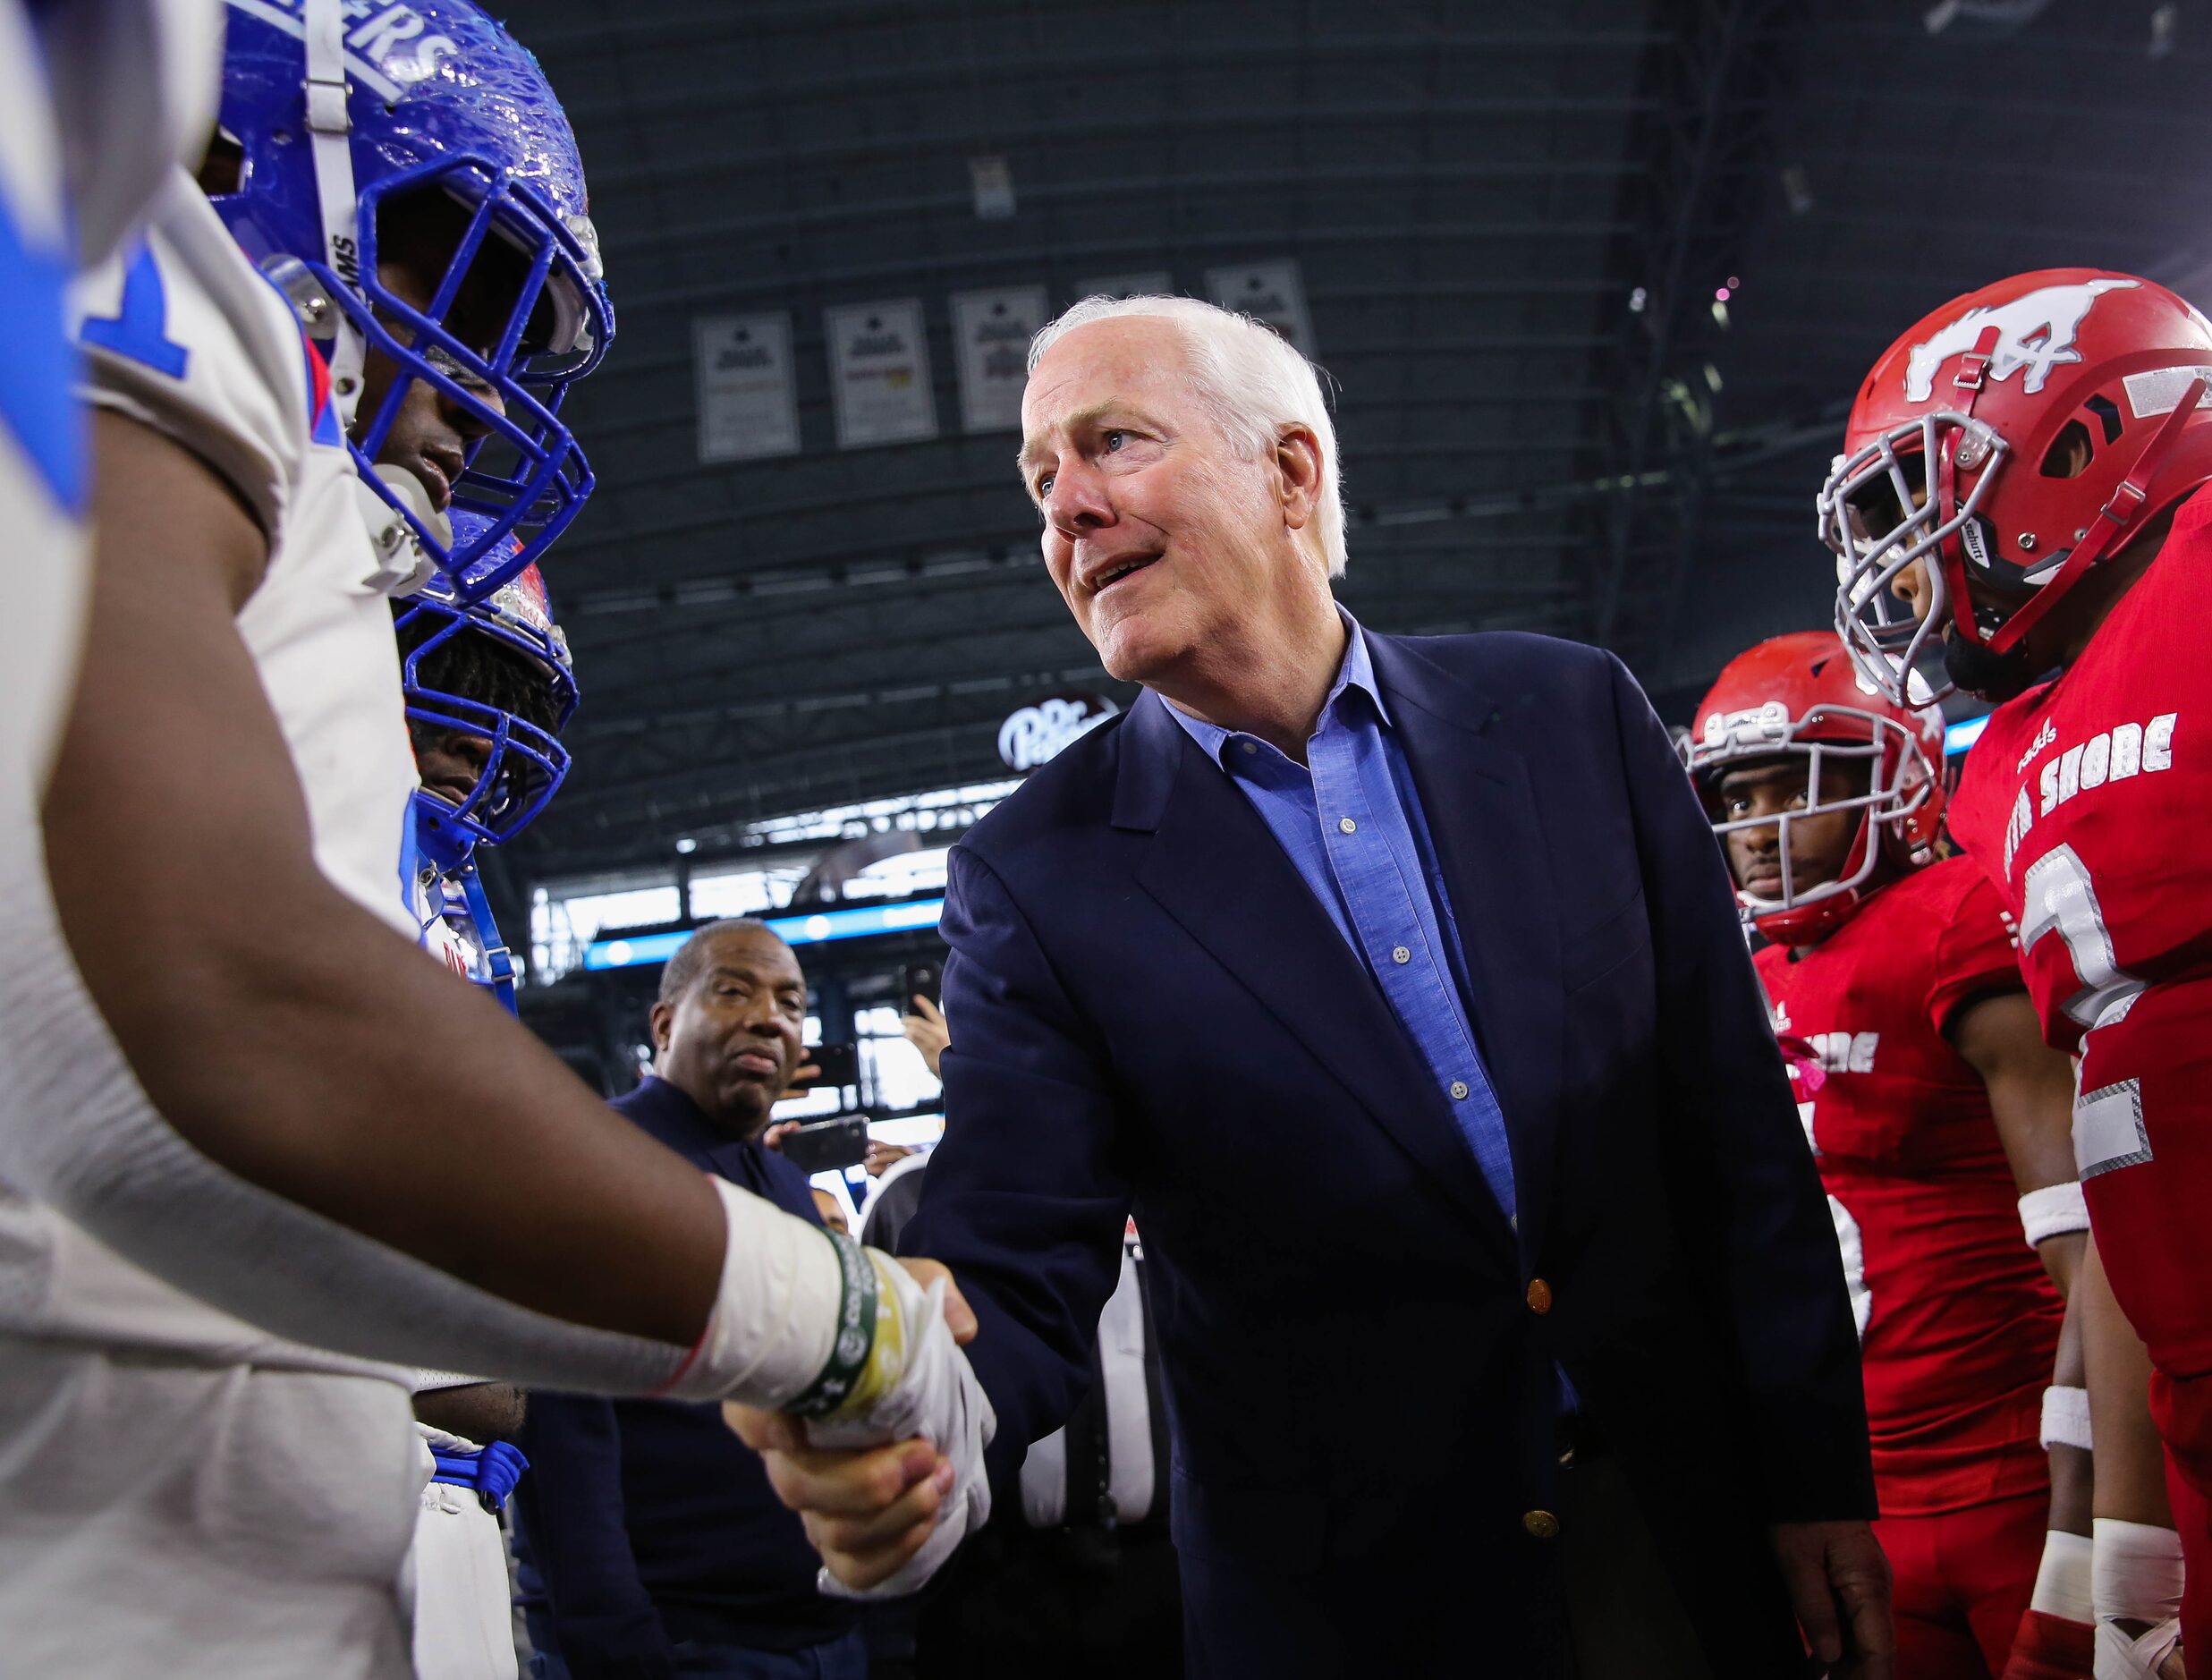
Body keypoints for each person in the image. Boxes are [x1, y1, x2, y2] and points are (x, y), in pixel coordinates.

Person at [0, 6, 985, 1672]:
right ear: (242, 161)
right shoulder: (127, 268)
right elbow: (179, 1031)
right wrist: (832, 1321)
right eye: (451, 279)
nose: (481, 393)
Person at [736, 294, 1890, 1679]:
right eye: (1044, 480)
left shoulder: (1571, 716)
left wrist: (1817, 1468)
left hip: (1674, 1532)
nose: (1069, 510)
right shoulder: (1039, 875)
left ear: (1290, 471)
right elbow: (1015, 1257)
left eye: (1113, 444)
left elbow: (1733, 1132)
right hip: (1357, 1616)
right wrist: (905, 1399)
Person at [1824, 267, 2212, 1677]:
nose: (1903, 568)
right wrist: (2120, 1574)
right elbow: (2121, 1174)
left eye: (1913, 505)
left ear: (2076, 438)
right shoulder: (2012, 766)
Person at [1687, 631, 2086, 1678]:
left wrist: (2103, 1497)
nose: (1754, 831)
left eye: (1790, 791)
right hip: (1861, 1493)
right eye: (1734, 802)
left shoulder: (1948, 919)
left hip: (2018, 1469)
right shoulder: (1750, 975)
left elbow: (2085, 1235)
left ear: (1892, 777)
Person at [517, 921, 871, 1680]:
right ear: (665, 1022)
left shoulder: (784, 1185)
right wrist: (616, 1643)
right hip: (683, 1643)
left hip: (825, 1632)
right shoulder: (597, 1161)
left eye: (789, 1002)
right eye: (734, 990)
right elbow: (568, 1431)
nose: (766, 1017)